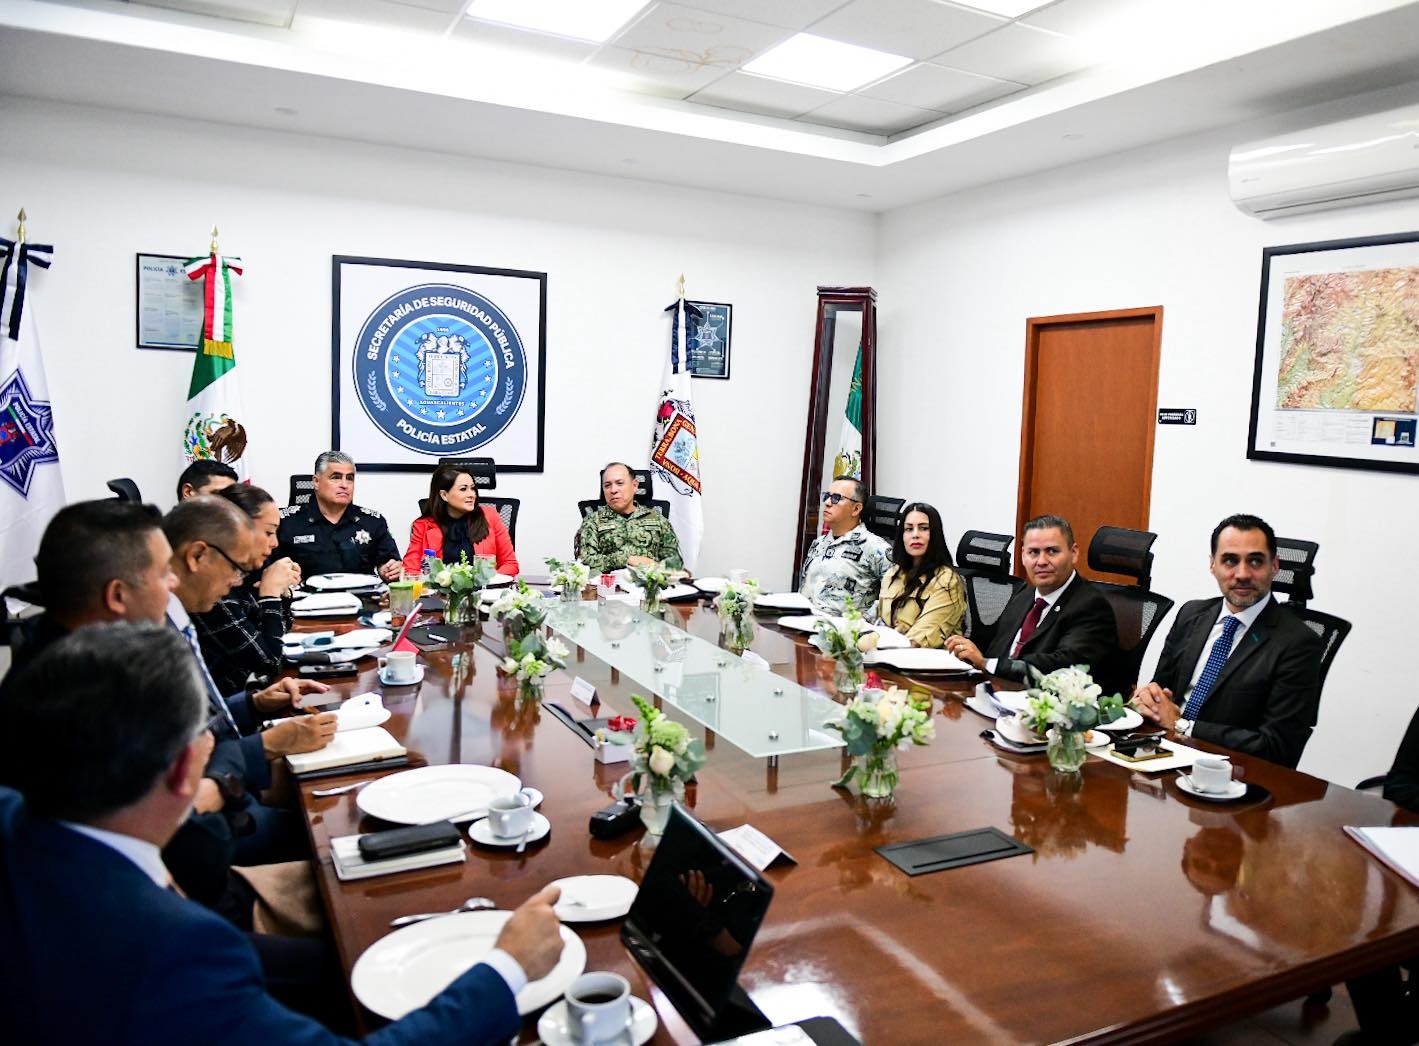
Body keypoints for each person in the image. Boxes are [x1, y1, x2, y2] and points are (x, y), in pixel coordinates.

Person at [0, 622, 566, 1046]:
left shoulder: (13, 814)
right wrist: (506, 968)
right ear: (185, 767)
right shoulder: (176, 949)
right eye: (205, 737)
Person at [165, 496, 334, 865]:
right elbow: (182, 771)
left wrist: (255, 704)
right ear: (197, 556)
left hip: (231, 785)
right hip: (212, 826)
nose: (235, 581)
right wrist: (268, 745)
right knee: (335, 830)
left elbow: (207, 723)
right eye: (235, 568)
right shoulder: (154, 642)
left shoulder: (179, 617)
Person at [1131, 513, 1322, 769]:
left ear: (1275, 566)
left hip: (1230, 773)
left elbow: (1277, 746)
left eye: (1255, 561)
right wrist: (1148, 698)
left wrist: (1183, 725)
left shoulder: (1299, 643)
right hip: (1163, 757)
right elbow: (1162, 690)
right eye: (1230, 560)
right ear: (1213, 565)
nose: (1242, 574)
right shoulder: (1191, 614)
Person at [946, 515, 1120, 691]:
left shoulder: (1091, 606)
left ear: (1074, 553)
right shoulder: (1023, 596)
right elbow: (997, 651)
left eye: (1052, 551)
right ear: (1023, 555)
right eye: (1034, 552)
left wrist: (987, 663)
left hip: (1047, 701)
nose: (1041, 561)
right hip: (999, 692)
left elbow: (1062, 666)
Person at [190, 484, 302, 694]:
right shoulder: (213, 587)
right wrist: (270, 595)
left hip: (246, 697)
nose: (275, 543)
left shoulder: (248, 572)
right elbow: (270, 662)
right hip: (232, 699)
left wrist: (281, 593)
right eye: (268, 532)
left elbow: (278, 633)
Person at [276, 451, 401, 581]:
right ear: (316, 482)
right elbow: (269, 571)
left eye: (350, 478)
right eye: (336, 477)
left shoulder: (373, 522)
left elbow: (389, 562)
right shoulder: (286, 523)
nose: (344, 485)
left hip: (361, 593)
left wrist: (389, 569)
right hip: (306, 593)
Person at [403, 463, 519, 576]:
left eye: (472, 488)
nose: (472, 494)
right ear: (444, 495)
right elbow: (410, 569)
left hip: (484, 588)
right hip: (440, 589)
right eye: (463, 489)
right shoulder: (422, 525)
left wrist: (487, 581)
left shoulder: (490, 516)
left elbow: (510, 564)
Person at [798, 476, 891, 616]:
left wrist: (862, 623)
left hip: (843, 628)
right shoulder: (819, 543)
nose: (827, 503)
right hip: (803, 623)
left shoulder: (875, 548)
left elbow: (895, 595)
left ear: (856, 509)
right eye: (827, 496)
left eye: (836, 498)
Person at [877, 502, 965, 648]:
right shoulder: (892, 574)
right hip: (887, 655)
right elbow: (878, 623)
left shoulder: (947, 581)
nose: (915, 535)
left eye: (924, 528)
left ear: (935, 535)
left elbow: (919, 641)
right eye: (909, 529)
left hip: (927, 659)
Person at [575, 462, 682, 573]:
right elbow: (585, 562)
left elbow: (675, 563)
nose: (613, 490)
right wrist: (626, 559)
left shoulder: (658, 519)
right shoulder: (592, 521)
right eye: (607, 485)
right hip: (609, 583)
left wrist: (655, 567)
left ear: (634, 485)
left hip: (650, 581)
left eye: (619, 483)